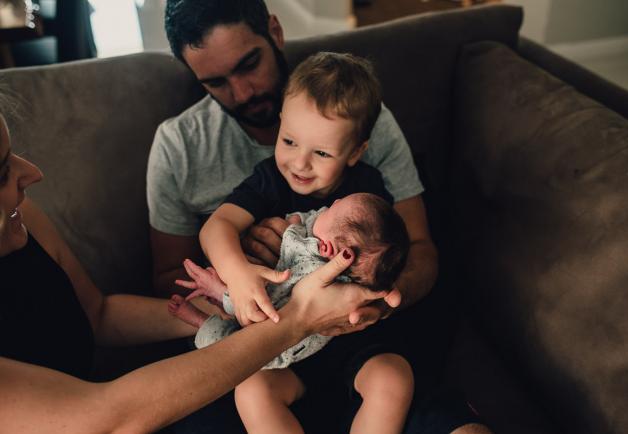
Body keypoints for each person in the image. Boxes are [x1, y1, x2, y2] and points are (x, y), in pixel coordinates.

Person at [150, 1, 493, 433]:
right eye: (215, 82)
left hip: (360, 345)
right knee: (249, 392)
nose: (242, 92)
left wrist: (382, 301)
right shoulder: (218, 159)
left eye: (249, 64)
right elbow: (176, 271)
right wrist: (238, 274)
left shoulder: (355, 118)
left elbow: (416, 249)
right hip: (268, 353)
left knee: (423, 399)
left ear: (274, 32)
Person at [0, 107, 393, 432]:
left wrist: (230, 307)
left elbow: (98, 315)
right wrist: (297, 318)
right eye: (2, 171)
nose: (32, 172)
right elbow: (106, 419)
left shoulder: (22, 217)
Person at [173, 192, 412, 433]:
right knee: (252, 390)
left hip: (351, 351)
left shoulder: (306, 259)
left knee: (393, 377)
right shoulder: (300, 228)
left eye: (331, 210)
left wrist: (223, 293)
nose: (332, 204)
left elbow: (263, 308)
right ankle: (203, 322)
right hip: (287, 360)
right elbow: (263, 318)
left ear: (328, 249)